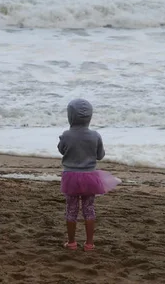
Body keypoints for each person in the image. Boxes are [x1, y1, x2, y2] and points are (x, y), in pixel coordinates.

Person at [57, 98, 120, 251]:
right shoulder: (95, 136)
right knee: (89, 209)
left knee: (71, 210)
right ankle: (89, 243)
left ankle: (71, 242)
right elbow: (100, 155)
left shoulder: (66, 135)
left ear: (70, 116)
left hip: (71, 177)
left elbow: (61, 150)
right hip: (89, 178)